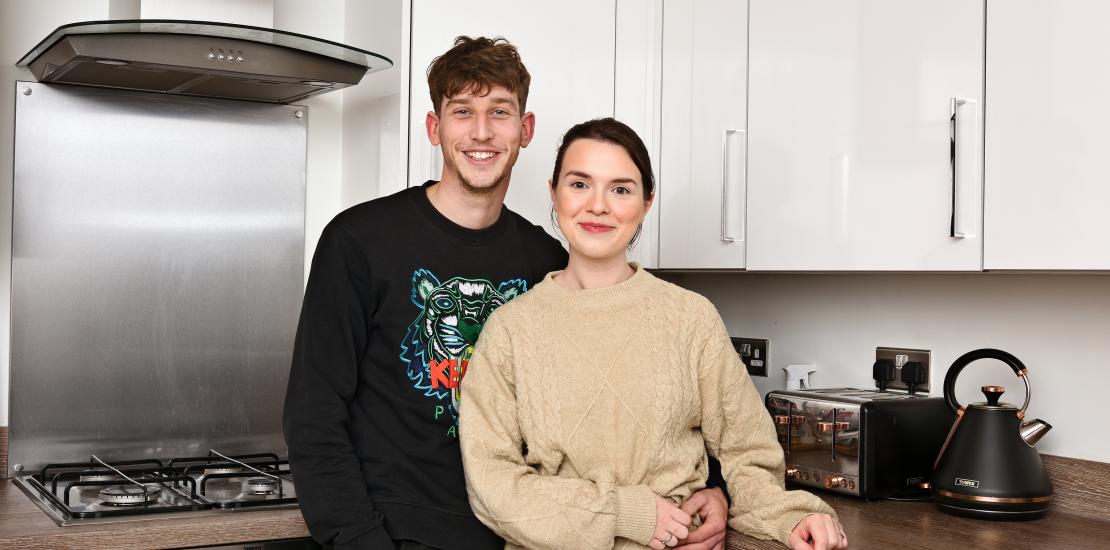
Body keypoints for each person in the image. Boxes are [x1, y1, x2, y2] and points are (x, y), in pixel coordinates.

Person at [283, 36, 728, 550]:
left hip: (531, 538)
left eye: (500, 111)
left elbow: (631, 393)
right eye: (462, 111)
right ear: (434, 128)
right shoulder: (359, 242)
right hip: (405, 534)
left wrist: (715, 488)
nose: (481, 132)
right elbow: (314, 417)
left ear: (525, 129)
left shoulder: (547, 260)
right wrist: (361, 540)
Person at [458, 118, 848, 550]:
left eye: (621, 189)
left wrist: (788, 518)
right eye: (580, 184)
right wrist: (626, 512)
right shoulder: (511, 330)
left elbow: (748, 453)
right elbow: (493, 488)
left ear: (647, 203)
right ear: (554, 192)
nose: (599, 206)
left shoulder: (690, 318)